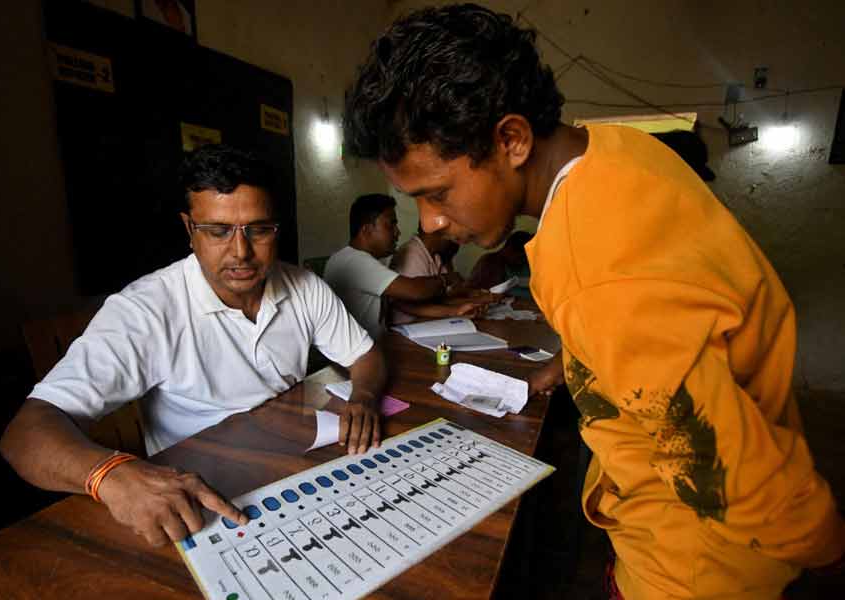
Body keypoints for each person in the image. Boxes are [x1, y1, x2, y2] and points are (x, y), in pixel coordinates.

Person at [342, 4, 845, 598]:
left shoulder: (597, 270)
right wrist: (575, 362)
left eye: (438, 192)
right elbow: (656, 334)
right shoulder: (612, 150)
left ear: (511, 139)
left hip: (695, 562)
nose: (431, 220)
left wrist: (828, 549)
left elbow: (723, 472)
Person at [0, 144, 386, 548]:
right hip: (192, 495)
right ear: (189, 230)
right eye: (218, 231)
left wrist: (363, 395)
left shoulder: (304, 287)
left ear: (277, 228)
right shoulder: (147, 310)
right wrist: (109, 474)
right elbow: (25, 434)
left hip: (289, 462)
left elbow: (366, 354)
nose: (241, 251)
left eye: (258, 229)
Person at [324, 194, 463, 338]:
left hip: (370, 344)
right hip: (361, 352)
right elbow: (415, 290)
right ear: (366, 230)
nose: (397, 232)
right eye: (390, 225)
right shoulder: (355, 261)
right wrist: (447, 279)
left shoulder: (348, 258)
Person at [389, 224, 495, 325]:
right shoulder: (411, 254)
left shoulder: (436, 256)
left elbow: (443, 297)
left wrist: (471, 301)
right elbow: (414, 305)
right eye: (453, 234)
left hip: (427, 324)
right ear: (436, 231)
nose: (456, 239)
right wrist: (461, 307)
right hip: (408, 328)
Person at [467, 230, 533, 297]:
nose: (521, 261)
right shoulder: (489, 262)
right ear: (508, 249)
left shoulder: (525, 263)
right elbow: (471, 289)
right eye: (520, 257)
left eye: (524, 257)